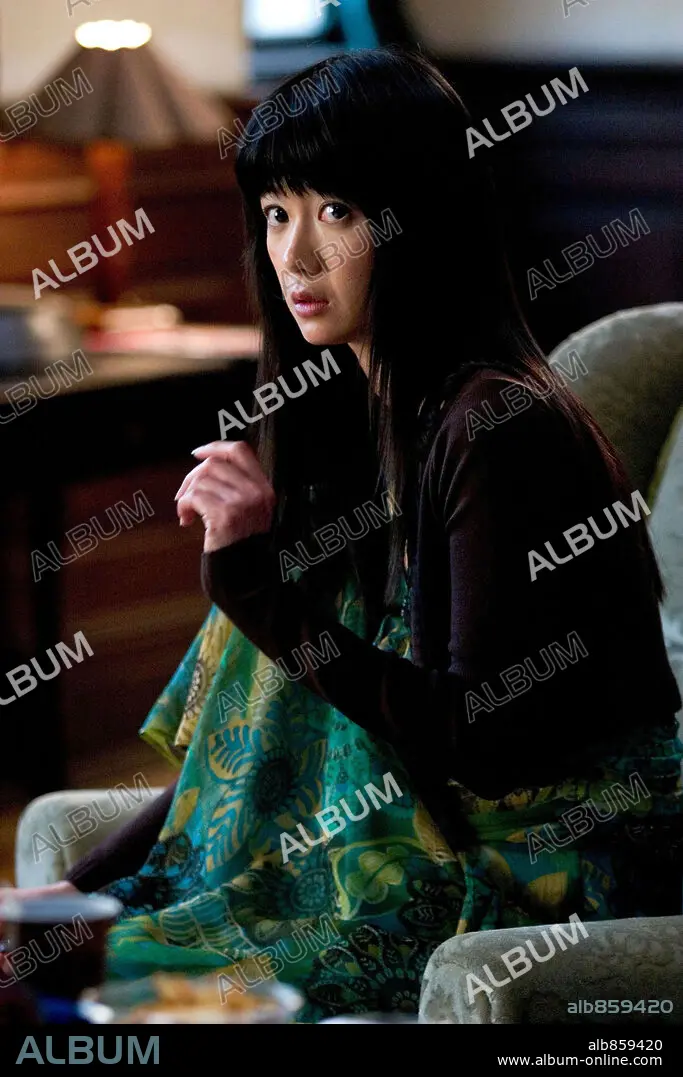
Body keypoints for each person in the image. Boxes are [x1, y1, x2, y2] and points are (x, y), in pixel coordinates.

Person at [11, 49, 682, 1020]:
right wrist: (69, 898)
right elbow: (259, 727)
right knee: (75, 955)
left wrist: (253, 589)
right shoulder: (360, 416)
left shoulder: (497, 427)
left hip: (547, 856)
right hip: (412, 831)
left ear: (420, 219)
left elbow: (482, 740)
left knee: (139, 974)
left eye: (336, 212)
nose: (295, 256)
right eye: (275, 213)